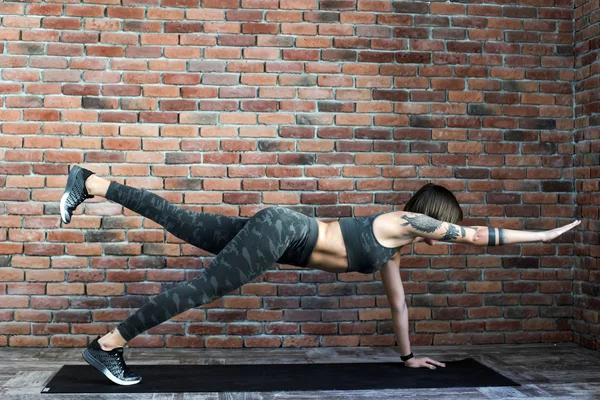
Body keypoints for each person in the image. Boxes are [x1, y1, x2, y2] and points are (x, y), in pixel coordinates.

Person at [59, 165, 580, 385]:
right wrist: (542, 237)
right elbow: (473, 238)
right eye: (448, 226)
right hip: (283, 232)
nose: (449, 235)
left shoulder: (391, 250)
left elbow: (398, 305)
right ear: (434, 216)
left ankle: (91, 182)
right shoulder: (403, 222)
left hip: (279, 231)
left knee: (184, 221)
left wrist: (406, 356)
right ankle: (107, 345)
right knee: (203, 288)